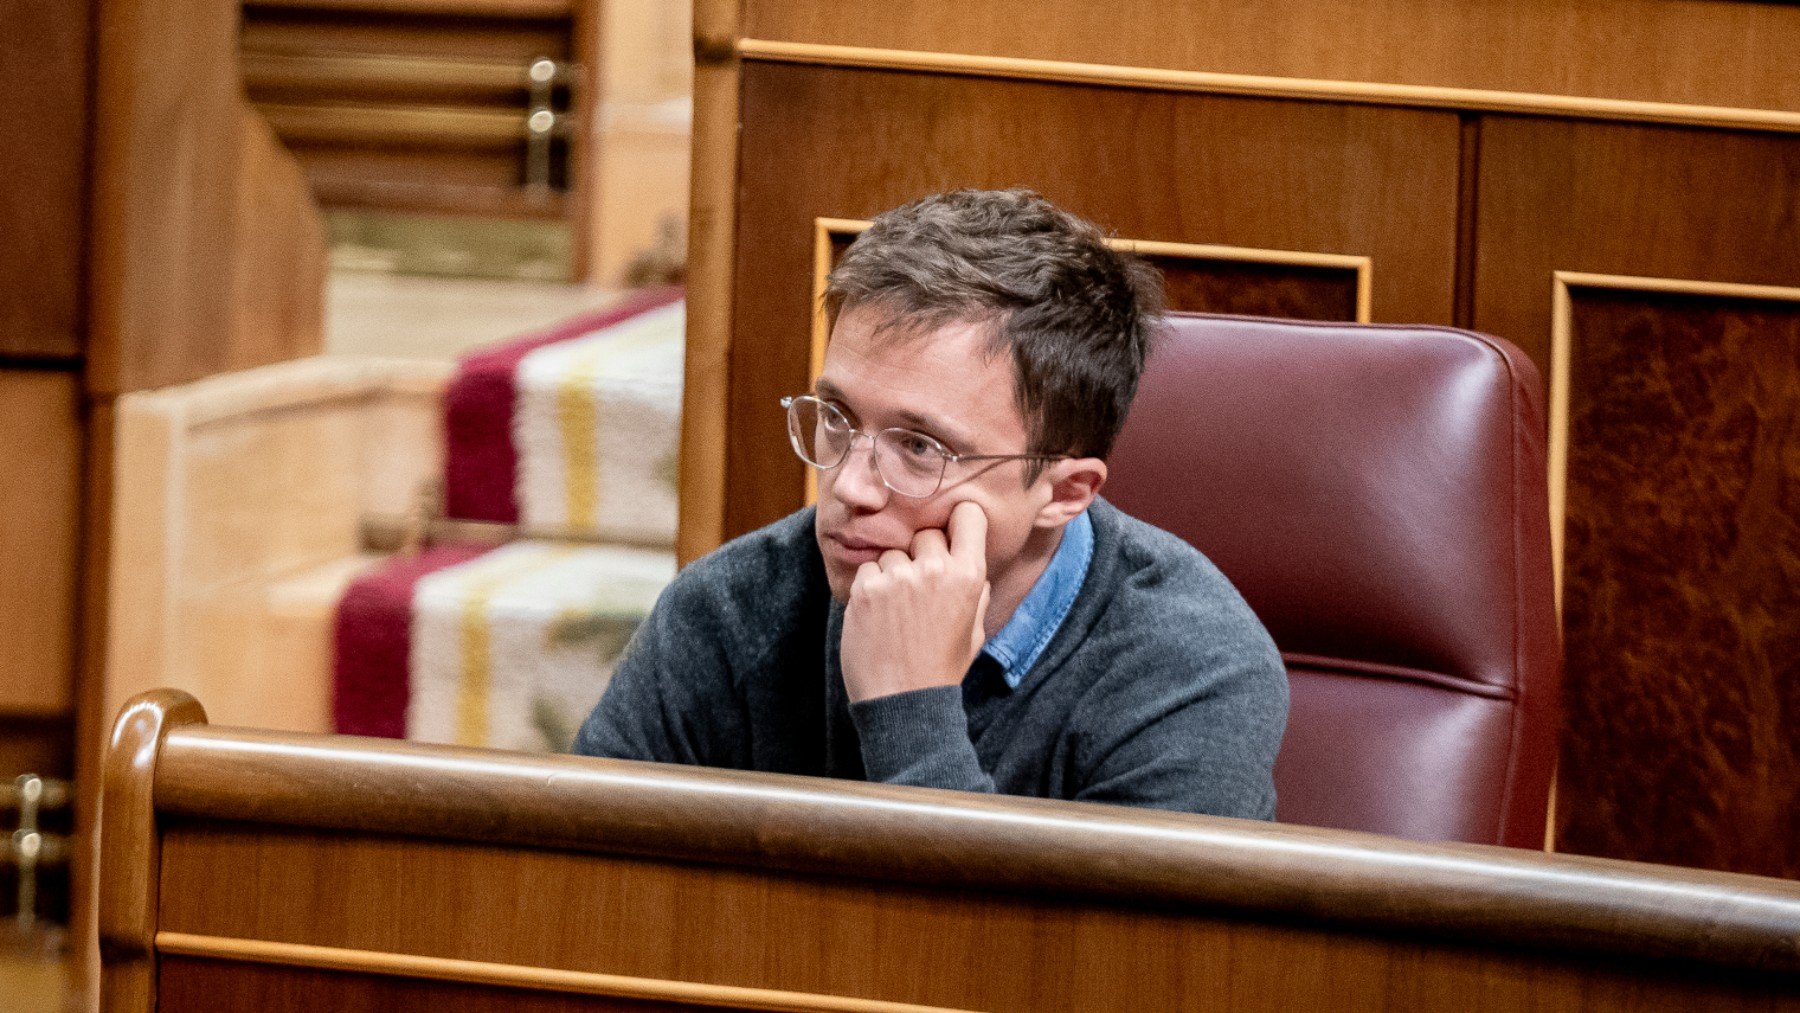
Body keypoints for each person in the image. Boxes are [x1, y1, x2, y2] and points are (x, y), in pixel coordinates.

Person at [574, 189, 1287, 818]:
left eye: (919, 447)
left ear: (1063, 493)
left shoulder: (1195, 675)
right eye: (838, 417)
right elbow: (579, 893)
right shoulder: (730, 614)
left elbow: (1089, 973)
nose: (850, 485)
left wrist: (911, 713)